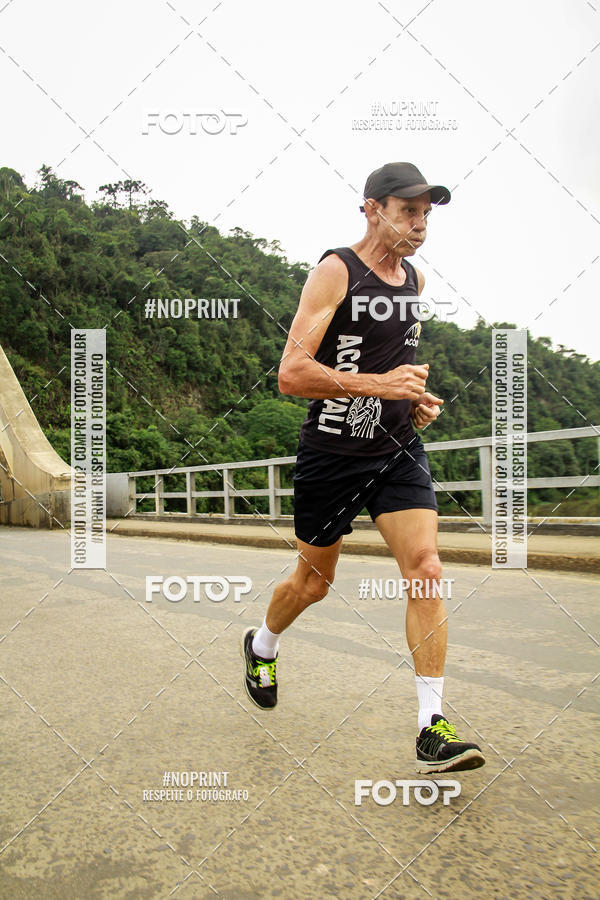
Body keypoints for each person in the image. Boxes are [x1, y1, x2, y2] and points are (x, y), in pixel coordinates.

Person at [241, 162, 485, 774]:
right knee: (313, 584)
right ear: (372, 209)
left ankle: (432, 725)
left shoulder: (414, 282)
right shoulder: (335, 271)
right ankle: (263, 642)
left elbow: (391, 368)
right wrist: (381, 386)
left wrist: (412, 402)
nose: (420, 224)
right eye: (408, 211)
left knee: (426, 568)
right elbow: (292, 375)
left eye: (427, 213)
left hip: (396, 452)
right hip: (331, 455)